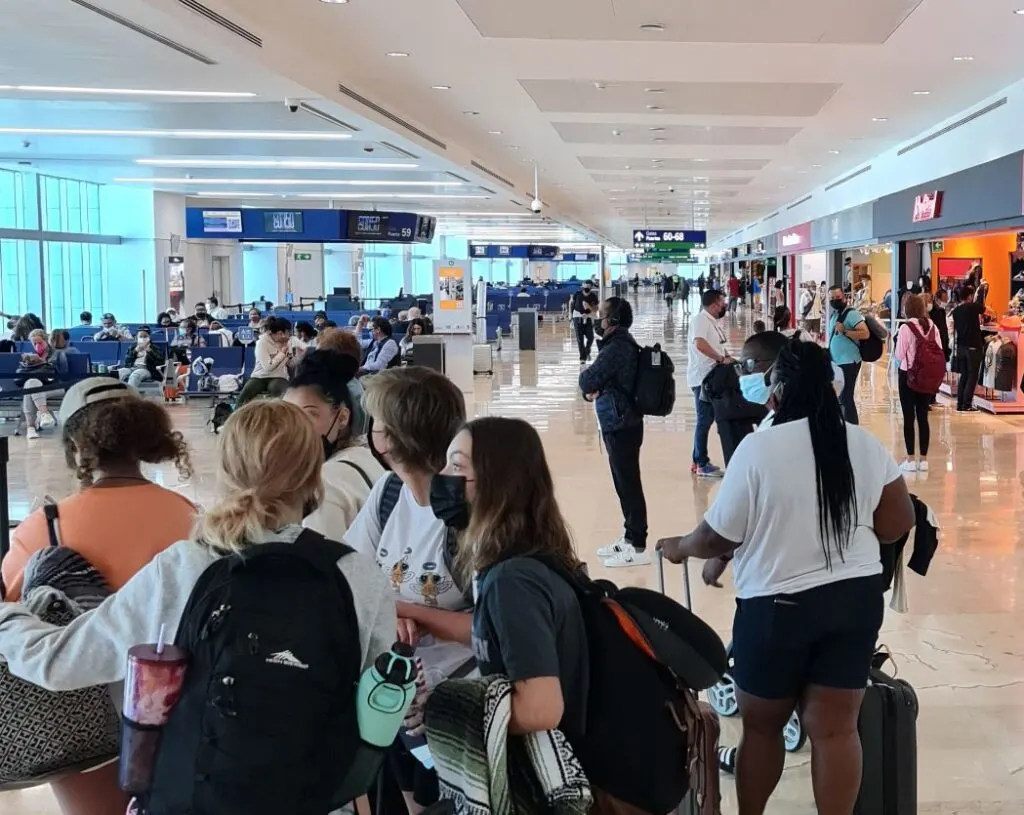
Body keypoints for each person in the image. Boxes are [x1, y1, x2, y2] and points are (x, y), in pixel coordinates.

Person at [0, 400, 395, 814]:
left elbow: (60, 663)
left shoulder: (186, 566)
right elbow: (377, 708)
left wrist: (8, 618)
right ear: (314, 473)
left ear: (225, 470)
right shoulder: (357, 576)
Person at [658, 338, 915, 815]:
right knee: (836, 730)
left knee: (762, 727)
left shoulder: (758, 449)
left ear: (777, 391)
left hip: (777, 609)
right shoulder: (862, 443)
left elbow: (717, 535)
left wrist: (680, 547)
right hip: (854, 605)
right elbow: (897, 523)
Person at [0, 377, 196, 815]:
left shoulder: (45, 526)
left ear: (75, 446)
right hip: (175, 709)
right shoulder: (188, 515)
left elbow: (13, 618)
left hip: (81, 718)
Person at [343, 367, 470, 814]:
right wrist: (385, 611)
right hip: (393, 699)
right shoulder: (388, 492)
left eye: (375, 421)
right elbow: (349, 575)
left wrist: (401, 608)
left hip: (455, 709)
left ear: (389, 438)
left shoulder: (467, 512)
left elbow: (494, 629)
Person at [448, 416, 587, 741]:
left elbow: (540, 709)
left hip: (542, 778)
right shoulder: (535, 555)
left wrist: (446, 712)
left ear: (497, 481)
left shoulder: (512, 581)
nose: (441, 478)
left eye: (456, 467)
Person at [580, 297, 649, 567]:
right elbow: (593, 385)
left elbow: (587, 379)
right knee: (624, 483)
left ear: (614, 321)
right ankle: (630, 537)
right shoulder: (618, 345)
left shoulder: (617, 347)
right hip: (620, 421)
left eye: (602, 315)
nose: (599, 320)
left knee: (628, 483)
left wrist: (590, 386)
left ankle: (637, 545)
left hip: (622, 425)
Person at [286, 351, 385, 534]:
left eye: (309, 414)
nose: (295, 426)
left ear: (342, 417)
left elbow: (321, 560)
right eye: (288, 415)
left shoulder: (323, 485)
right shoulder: (367, 454)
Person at [704, 331, 785, 466]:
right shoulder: (767, 423)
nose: (743, 374)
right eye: (741, 366)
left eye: (750, 364)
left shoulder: (796, 427)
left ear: (777, 364)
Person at [894, 295, 942, 473]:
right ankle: (923, 460)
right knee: (923, 417)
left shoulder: (906, 328)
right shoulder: (932, 326)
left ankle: (910, 460)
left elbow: (899, 355)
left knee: (908, 417)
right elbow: (939, 350)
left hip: (908, 376)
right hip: (927, 377)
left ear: (907, 309)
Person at [687, 290, 731, 477]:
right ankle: (702, 463)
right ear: (714, 305)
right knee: (704, 420)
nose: (724, 306)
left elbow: (717, 344)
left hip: (711, 377)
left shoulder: (712, 322)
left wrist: (728, 357)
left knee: (707, 419)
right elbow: (700, 344)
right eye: (722, 303)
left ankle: (697, 459)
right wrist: (720, 359)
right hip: (702, 379)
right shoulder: (701, 321)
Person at [827, 286, 869, 425]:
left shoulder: (851, 314)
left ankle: (852, 428)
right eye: (832, 298)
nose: (834, 300)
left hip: (849, 361)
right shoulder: (835, 314)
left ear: (843, 297)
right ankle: (844, 425)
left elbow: (865, 333)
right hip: (838, 362)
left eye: (837, 297)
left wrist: (845, 331)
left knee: (846, 397)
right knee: (841, 397)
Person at [236, 316, 297, 407]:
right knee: (244, 395)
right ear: (280, 333)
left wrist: (292, 356)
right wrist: (282, 353)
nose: (290, 336)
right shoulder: (262, 343)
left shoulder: (288, 343)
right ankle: (235, 417)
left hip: (279, 376)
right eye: (289, 333)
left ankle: (278, 417)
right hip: (260, 376)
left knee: (276, 388)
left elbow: (291, 363)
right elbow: (268, 367)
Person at [19, 328, 67, 440]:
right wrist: (29, 363)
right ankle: (44, 415)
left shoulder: (58, 354)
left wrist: (44, 362)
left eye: (39, 343)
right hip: (38, 388)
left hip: (56, 386)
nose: (37, 345)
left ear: (46, 341)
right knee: (31, 383)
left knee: (30, 391)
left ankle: (31, 428)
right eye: (34, 343)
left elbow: (64, 374)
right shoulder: (31, 356)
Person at [953, 283, 986, 413]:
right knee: (972, 376)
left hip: (961, 347)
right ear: (970, 296)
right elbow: (986, 311)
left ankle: (960, 403)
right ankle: (967, 405)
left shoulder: (956, 311)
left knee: (964, 375)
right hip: (973, 346)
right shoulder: (972, 307)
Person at [570, 282, 598, 363]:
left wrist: (589, 311)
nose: (587, 288)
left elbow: (595, 308)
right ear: (583, 286)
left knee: (590, 337)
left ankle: (587, 351)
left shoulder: (593, 296)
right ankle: (582, 358)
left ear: (591, 287)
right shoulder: (578, 294)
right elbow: (571, 303)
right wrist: (570, 315)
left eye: (589, 287)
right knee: (580, 338)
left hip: (588, 317)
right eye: (585, 286)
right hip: (577, 317)